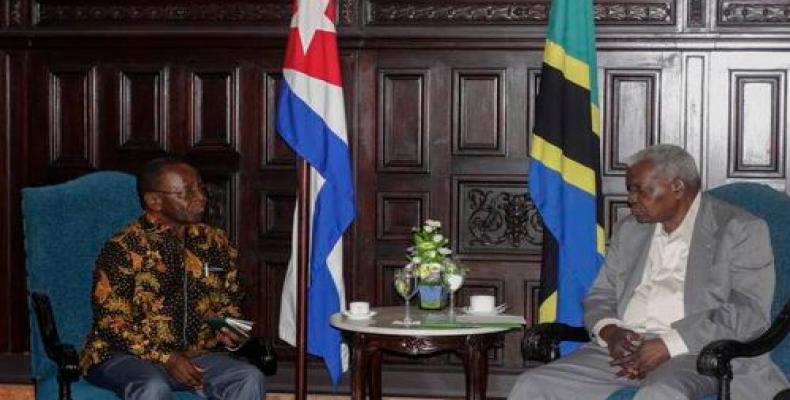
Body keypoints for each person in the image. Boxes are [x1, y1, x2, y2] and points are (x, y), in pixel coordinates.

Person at [509, 144, 789, 399]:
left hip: (698, 353)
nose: (631, 199)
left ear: (677, 187)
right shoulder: (631, 229)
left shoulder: (739, 229)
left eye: (640, 189)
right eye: (630, 189)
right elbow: (601, 293)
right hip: (623, 350)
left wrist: (668, 344)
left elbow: (748, 311)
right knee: (532, 385)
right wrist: (610, 331)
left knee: (660, 393)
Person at [79, 157, 266, 400]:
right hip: (124, 356)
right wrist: (166, 357)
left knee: (248, 377)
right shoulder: (124, 248)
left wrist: (230, 329)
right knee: (152, 387)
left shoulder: (214, 242)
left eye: (200, 188)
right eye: (187, 192)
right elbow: (112, 324)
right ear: (154, 201)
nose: (201, 197)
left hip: (196, 356)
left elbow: (227, 301)